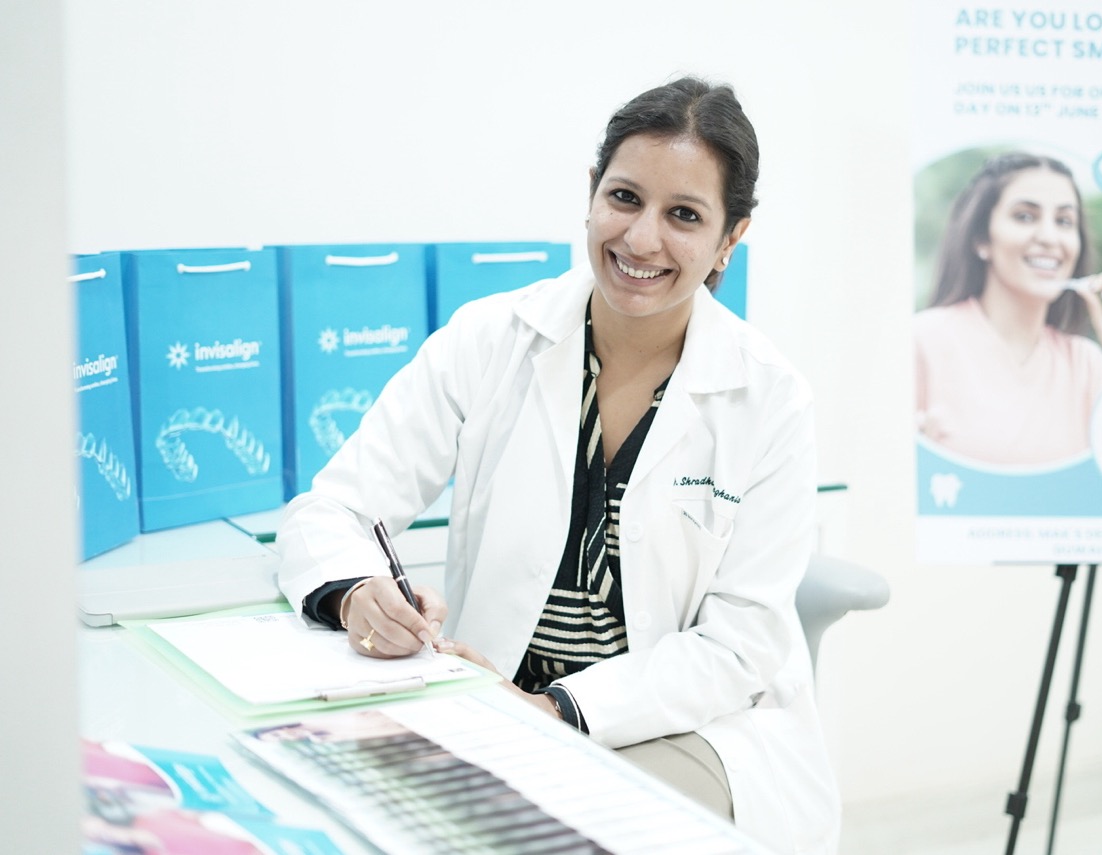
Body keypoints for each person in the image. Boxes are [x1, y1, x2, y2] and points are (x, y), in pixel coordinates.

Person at [276, 76, 841, 854]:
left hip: (691, 727)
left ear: (730, 238)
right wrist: (356, 593)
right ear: (591, 193)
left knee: (555, 829)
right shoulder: (490, 340)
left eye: (684, 215)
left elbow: (738, 648)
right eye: (625, 197)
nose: (642, 239)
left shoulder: (769, 398)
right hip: (496, 703)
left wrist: (559, 711)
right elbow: (333, 510)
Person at [914, 152, 1102, 466]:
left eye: (1064, 221)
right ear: (982, 238)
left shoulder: (1086, 363)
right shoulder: (923, 340)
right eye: (1025, 216)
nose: (1050, 238)